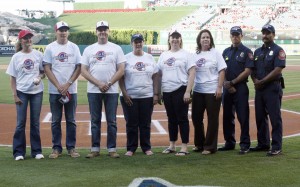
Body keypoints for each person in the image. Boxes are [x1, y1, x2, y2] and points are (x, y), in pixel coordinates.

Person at [81, 20, 126, 158]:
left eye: (105, 29)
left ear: (108, 31)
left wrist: (109, 83)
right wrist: (99, 83)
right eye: (100, 29)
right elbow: (83, 70)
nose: (102, 32)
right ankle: (95, 148)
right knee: (95, 120)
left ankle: (112, 148)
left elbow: (121, 69)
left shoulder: (116, 48)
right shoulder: (89, 49)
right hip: (94, 90)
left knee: (111, 120)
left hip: (111, 91)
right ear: (96, 32)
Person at [43, 21, 81, 159]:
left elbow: (78, 67)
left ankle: (71, 148)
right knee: (56, 121)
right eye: (61, 30)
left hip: (71, 89)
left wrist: (68, 83)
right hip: (55, 91)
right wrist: (58, 85)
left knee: (71, 120)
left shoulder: (74, 47)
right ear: (56, 32)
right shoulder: (50, 48)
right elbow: (47, 68)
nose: (63, 32)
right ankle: (56, 148)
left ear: (68, 32)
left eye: (65, 30)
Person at [6, 30, 45, 160]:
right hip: (22, 92)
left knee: (35, 123)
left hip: (37, 92)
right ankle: (18, 152)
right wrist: (15, 95)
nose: (28, 40)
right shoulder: (16, 57)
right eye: (25, 38)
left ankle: (37, 151)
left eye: (29, 38)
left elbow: (43, 72)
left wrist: (39, 77)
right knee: (20, 123)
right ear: (21, 41)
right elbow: (12, 78)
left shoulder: (38, 55)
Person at [119, 33, 159, 156]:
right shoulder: (126, 58)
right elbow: (121, 77)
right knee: (131, 123)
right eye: (136, 42)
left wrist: (156, 94)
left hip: (147, 96)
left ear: (143, 43)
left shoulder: (149, 58)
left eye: (140, 41)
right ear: (132, 43)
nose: (138, 44)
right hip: (130, 96)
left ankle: (146, 147)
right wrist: (125, 93)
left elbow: (156, 75)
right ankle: (131, 148)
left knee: (145, 123)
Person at [157, 30, 195, 156]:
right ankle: (172, 145)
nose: (175, 40)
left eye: (177, 38)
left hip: (180, 89)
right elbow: (159, 74)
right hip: (167, 91)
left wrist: (188, 92)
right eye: (172, 38)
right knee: (171, 119)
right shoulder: (163, 55)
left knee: (182, 119)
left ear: (180, 40)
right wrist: (159, 92)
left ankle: (184, 147)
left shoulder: (186, 54)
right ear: (169, 40)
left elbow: (192, 73)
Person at [250, 24, 286, 156]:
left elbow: (278, 70)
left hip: (272, 88)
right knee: (260, 117)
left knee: (275, 118)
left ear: (273, 35)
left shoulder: (278, 50)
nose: (265, 35)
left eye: (268, 33)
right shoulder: (258, 52)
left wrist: (262, 81)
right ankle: (263, 143)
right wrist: (255, 81)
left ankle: (276, 146)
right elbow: (252, 69)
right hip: (259, 89)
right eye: (263, 33)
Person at [218, 26, 254, 154]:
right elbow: (222, 69)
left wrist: (233, 83)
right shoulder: (226, 51)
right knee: (227, 116)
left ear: (241, 36)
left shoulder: (247, 52)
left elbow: (248, 70)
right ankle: (229, 142)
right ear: (230, 36)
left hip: (240, 88)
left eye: (237, 35)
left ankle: (245, 144)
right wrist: (227, 84)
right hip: (227, 87)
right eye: (233, 35)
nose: (235, 37)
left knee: (243, 117)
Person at [192, 29, 227, 155]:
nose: (205, 39)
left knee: (212, 119)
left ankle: (210, 146)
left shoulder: (215, 53)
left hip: (212, 90)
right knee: (196, 118)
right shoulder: (195, 55)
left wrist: (219, 87)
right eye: (203, 37)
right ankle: (199, 144)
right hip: (197, 90)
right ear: (199, 40)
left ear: (211, 40)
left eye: (207, 37)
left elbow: (222, 70)